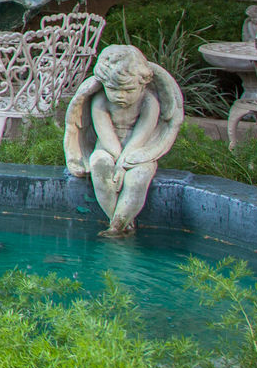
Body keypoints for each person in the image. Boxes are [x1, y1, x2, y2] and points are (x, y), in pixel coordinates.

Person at [64, 45, 185, 237]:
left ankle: (119, 224)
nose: (120, 96)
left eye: (129, 90)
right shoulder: (101, 100)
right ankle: (118, 224)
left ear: (142, 84)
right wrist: (116, 163)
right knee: (100, 170)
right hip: (107, 149)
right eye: (113, 89)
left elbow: (141, 135)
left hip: (139, 151)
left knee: (137, 179)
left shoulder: (149, 102)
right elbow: (106, 136)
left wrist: (122, 165)